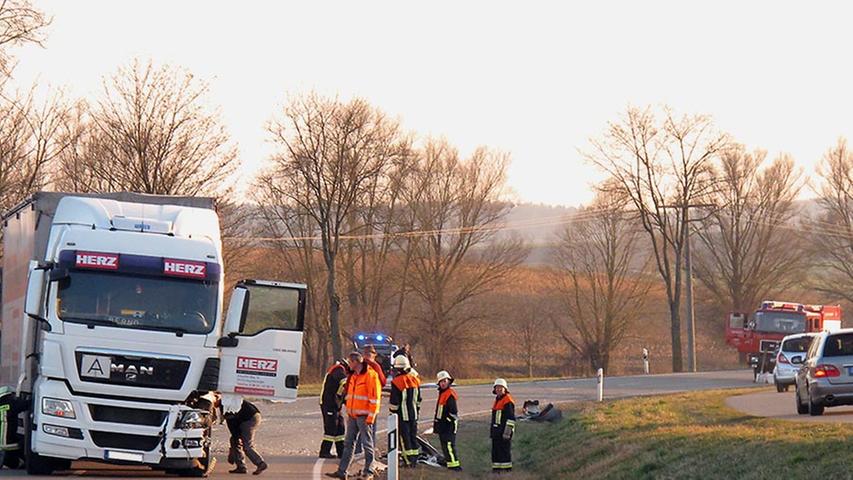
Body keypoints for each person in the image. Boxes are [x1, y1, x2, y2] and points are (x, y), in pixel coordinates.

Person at [326, 352, 381, 480]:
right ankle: (342, 471)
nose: (348, 365)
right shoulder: (354, 376)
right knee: (348, 443)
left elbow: (375, 399)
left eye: (350, 362)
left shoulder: (370, 376)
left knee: (367, 444)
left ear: (356, 362)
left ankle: (369, 471)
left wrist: (371, 417)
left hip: (364, 416)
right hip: (353, 415)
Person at [389, 355, 421, 468]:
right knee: (413, 437)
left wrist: (392, 413)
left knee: (404, 439)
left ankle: (407, 461)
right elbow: (418, 400)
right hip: (414, 416)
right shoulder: (415, 380)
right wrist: (417, 411)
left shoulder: (396, 382)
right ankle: (414, 460)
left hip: (402, 416)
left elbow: (394, 402)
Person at [354, 345, 386, 456]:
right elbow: (383, 381)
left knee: (362, 432)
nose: (368, 356)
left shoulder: (363, 366)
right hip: (363, 405)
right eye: (367, 354)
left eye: (369, 354)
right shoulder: (374, 366)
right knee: (367, 432)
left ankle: (363, 454)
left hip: (364, 405)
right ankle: (365, 455)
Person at [224, 399, 268, 475]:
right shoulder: (228, 398)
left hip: (249, 419)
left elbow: (232, 424)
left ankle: (260, 463)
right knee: (234, 440)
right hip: (253, 415)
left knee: (247, 445)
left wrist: (232, 452)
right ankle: (241, 467)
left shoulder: (225, 404)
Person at [319, 358, 349, 459]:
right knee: (331, 428)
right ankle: (324, 451)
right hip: (329, 404)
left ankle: (341, 451)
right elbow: (344, 384)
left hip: (335, 405)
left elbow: (340, 392)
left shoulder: (338, 370)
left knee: (340, 427)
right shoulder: (339, 370)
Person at [433, 370, 461, 471]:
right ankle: (449, 462)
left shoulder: (449, 394)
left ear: (449, 381)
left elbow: (453, 413)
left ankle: (454, 466)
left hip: (449, 426)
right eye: (441, 381)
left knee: (449, 445)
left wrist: (446, 422)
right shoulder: (442, 393)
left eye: (445, 381)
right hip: (443, 426)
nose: (443, 383)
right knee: (444, 445)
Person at [490, 378, 515, 473]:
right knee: (496, 451)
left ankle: (506, 469)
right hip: (496, 431)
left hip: (503, 432)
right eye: (497, 387)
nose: (499, 389)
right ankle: (497, 469)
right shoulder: (498, 399)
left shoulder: (507, 400)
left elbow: (511, 419)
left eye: (501, 387)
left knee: (504, 451)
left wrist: (507, 433)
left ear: (505, 389)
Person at [0, 387, 28, 469]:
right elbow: (26, 404)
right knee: (25, 442)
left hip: (3, 444)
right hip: (6, 446)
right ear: (8, 395)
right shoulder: (10, 404)